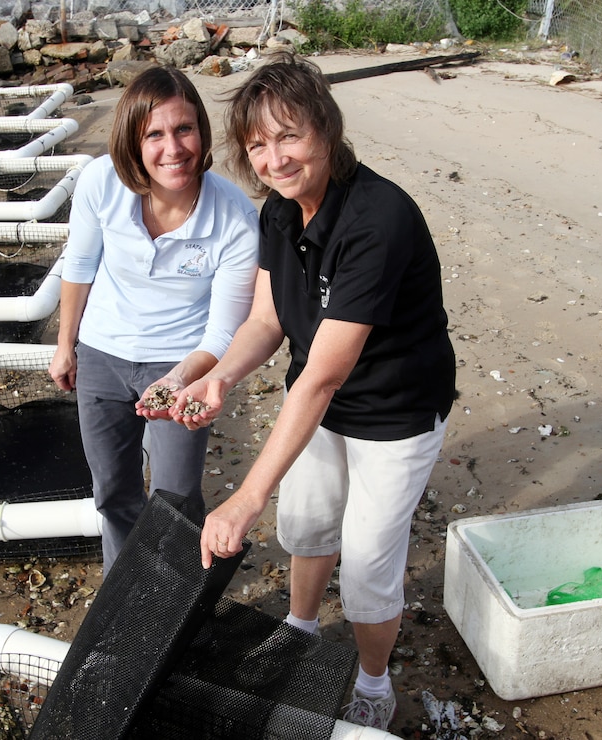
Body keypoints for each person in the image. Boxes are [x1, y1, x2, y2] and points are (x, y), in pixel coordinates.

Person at [161, 53, 456, 731]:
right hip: (319, 404)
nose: (274, 159)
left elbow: (324, 374)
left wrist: (244, 498)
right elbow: (266, 319)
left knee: (369, 567)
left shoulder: (378, 220)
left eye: (288, 136)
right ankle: (298, 626)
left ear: (326, 127)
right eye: (258, 146)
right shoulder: (280, 214)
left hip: (395, 411)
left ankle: (375, 683)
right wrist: (219, 376)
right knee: (309, 523)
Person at [49, 66, 259, 574]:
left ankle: (173, 596)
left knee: (177, 497)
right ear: (132, 142)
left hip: (181, 358)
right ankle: (123, 590)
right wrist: (66, 343)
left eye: (184, 129)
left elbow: (225, 330)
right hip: (102, 351)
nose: (174, 148)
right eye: (155, 134)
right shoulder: (101, 181)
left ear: (202, 133)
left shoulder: (234, 216)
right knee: (112, 489)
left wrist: (180, 378)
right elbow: (79, 266)